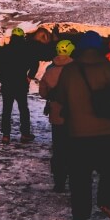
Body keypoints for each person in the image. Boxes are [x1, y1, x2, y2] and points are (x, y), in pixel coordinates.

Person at [48, 31, 110, 220]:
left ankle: (80, 213)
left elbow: (60, 97)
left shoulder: (70, 70)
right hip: (108, 131)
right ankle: (107, 202)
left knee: (80, 175)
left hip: (77, 133)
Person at [39, 38, 76, 191]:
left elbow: (43, 93)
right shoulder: (77, 70)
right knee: (74, 148)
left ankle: (59, 181)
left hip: (56, 115)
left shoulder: (49, 70)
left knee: (59, 148)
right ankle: (75, 178)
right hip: (75, 115)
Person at [0, 26, 39, 144]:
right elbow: (35, 64)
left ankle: (6, 136)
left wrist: (1, 78)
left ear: (12, 37)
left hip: (7, 83)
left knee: (7, 110)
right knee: (23, 109)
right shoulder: (27, 51)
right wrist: (29, 77)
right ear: (22, 37)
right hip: (21, 84)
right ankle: (25, 134)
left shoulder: (4, 50)